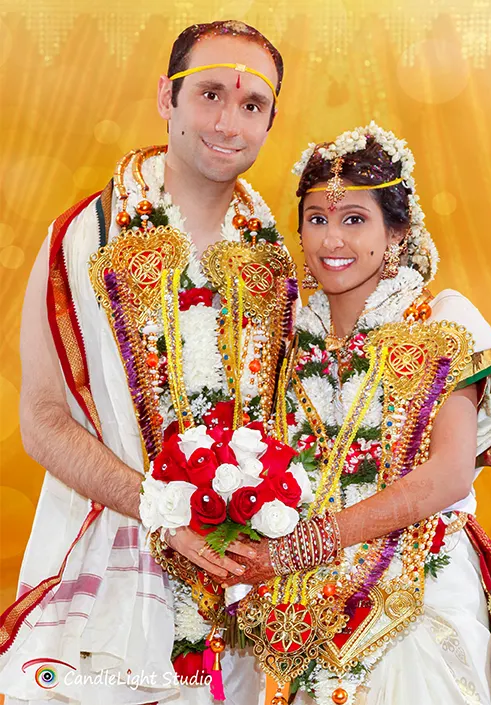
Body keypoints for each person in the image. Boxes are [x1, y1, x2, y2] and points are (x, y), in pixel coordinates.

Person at [0, 20, 294, 705]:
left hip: (231, 594)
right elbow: (42, 421)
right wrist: (163, 513)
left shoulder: (277, 265)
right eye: (210, 94)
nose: (229, 121)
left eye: (252, 106)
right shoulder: (85, 236)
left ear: (271, 121)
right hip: (101, 577)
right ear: (166, 97)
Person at [223, 122, 491, 704]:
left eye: (355, 220)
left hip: (419, 588)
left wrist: (303, 547)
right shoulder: (285, 332)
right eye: (318, 220)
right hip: (306, 604)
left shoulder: (440, 321)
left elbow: (448, 475)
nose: (332, 241)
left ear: (395, 232)